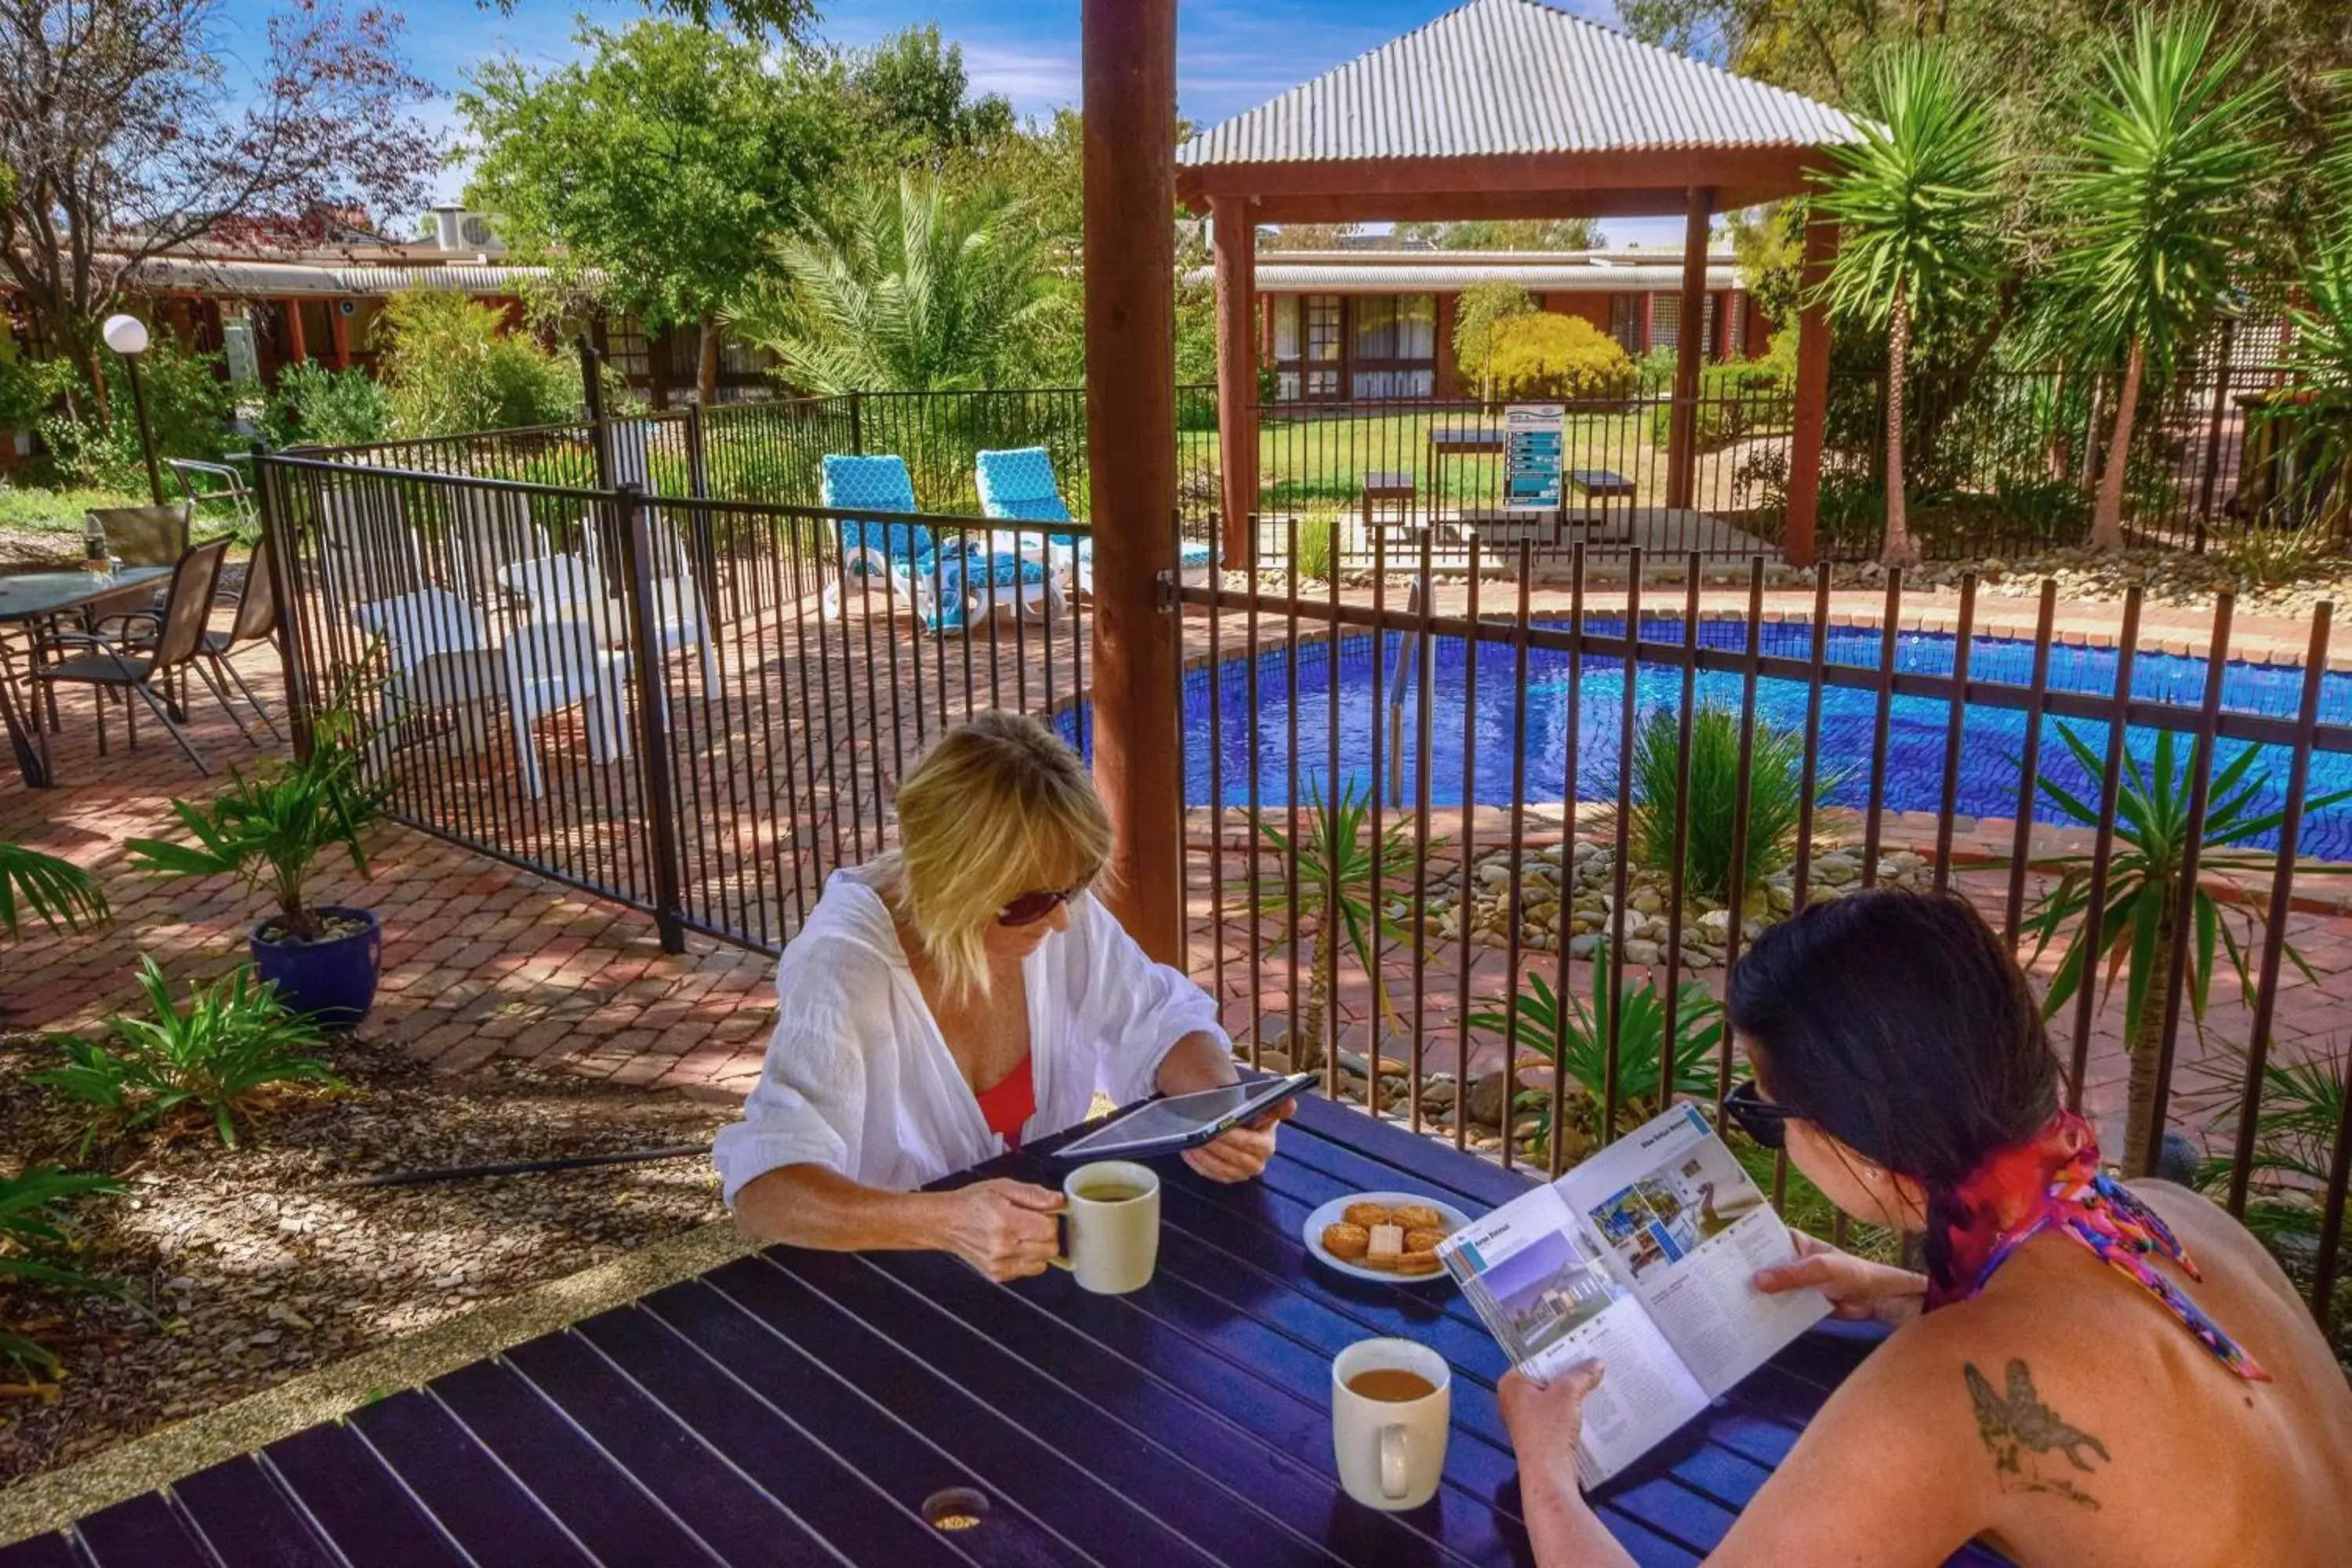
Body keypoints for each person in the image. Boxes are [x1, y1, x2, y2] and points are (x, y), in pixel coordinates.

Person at [1501, 889, 2352, 1566]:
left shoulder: (1942, 1390)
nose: (1767, 1130)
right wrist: (1901, 1292)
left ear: (1867, 1150)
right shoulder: (2175, 1216)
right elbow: (2114, 1384)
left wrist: (1544, 1470)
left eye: (1766, 1114)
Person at [715, 711, 1283, 1281]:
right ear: (953, 885)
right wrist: (945, 1221)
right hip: (892, 1284)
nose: (1061, 920)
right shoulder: (846, 968)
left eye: (1075, 886)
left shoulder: (1050, 909)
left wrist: (1220, 1110)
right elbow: (768, 1189)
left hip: (1038, 1260)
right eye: (1032, 901)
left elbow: (1159, 1020)